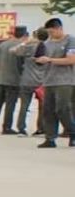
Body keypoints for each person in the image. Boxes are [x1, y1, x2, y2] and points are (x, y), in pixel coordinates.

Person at [34, 18, 75, 147]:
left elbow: (71, 60)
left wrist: (50, 60)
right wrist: (40, 60)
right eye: (49, 33)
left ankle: (72, 131)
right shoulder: (46, 43)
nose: (50, 35)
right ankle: (50, 138)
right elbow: (40, 58)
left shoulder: (70, 40)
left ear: (59, 29)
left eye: (52, 32)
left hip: (65, 80)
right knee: (48, 110)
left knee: (62, 108)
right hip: (48, 80)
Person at [0, 26, 26, 134]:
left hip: (1, 79)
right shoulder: (22, 47)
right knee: (10, 105)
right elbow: (24, 64)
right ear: (24, 35)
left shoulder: (2, 45)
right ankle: (7, 127)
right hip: (14, 80)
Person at [10, 28, 46, 138]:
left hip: (27, 79)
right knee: (43, 107)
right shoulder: (49, 47)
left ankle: (21, 129)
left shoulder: (29, 47)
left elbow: (13, 50)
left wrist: (25, 42)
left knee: (24, 106)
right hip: (42, 81)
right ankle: (41, 128)